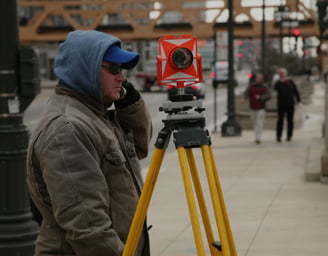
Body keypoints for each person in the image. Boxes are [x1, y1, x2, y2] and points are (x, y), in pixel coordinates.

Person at [26, 30, 152, 256]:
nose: (122, 77)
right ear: (86, 70)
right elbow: (88, 229)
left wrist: (129, 103)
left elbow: (140, 147)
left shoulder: (97, 115)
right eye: (114, 68)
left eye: (122, 69)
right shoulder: (67, 130)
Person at [274, 67, 301, 142]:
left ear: (286, 73)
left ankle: (289, 135)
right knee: (280, 120)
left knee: (290, 120)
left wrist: (298, 101)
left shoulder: (290, 81)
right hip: (281, 104)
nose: (282, 74)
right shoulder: (278, 82)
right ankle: (278, 136)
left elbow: (296, 91)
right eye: (281, 73)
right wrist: (279, 80)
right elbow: (275, 88)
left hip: (290, 104)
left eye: (283, 73)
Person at [243, 73, 271, 144]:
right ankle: (256, 134)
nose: (258, 79)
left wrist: (261, 97)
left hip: (261, 107)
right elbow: (246, 93)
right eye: (257, 78)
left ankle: (258, 137)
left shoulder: (264, 87)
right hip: (252, 107)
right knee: (254, 122)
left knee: (259, 122)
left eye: (260, 78)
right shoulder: (251, 86)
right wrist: (244, 98)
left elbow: (268, 95)